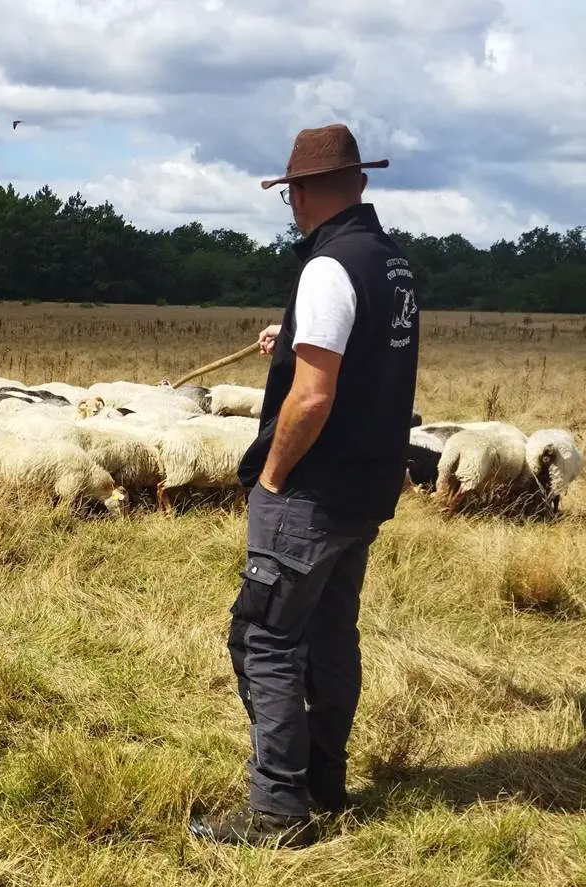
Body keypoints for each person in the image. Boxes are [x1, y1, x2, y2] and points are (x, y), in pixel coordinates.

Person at [188, 124, 420, 847]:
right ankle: (325, 780)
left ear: (305, 192)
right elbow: (359, 355)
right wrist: (290, 334)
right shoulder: (391, 265)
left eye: (291, 193)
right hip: (367, 486)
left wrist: (272, 476)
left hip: (312, 491)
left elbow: (314, 397)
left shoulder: (328, 268)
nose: (290, 205)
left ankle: (277, 810)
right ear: (361, 183)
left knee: (265, 638)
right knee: (328, 635)